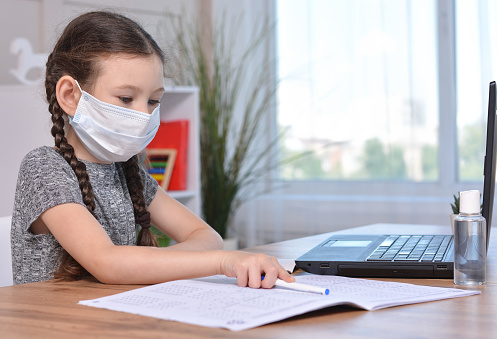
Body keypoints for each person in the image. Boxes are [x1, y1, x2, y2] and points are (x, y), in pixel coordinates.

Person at [10, 11, 294, 288]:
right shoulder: (44, 168)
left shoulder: (127, 173)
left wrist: (143, 263)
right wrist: (222, 262)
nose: (143, 115)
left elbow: (206, 236)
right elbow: (107, 263)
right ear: (70, 96)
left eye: (153, 101)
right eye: (126, 98)